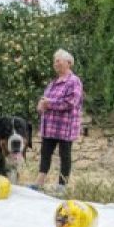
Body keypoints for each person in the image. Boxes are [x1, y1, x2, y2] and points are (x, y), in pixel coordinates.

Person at [33, 48, 84, 194]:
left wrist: (49, 103)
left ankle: (62, 187)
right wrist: (41, 105)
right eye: (54, 61)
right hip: (49, 126)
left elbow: (71, 102)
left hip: (64, 127)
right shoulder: (53, 82)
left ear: (69, 63)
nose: (55, 64)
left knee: (65, 156)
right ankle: (39, 183)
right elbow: (44, 100)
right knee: (45, 154)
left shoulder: (74, 81)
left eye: (58, 61)